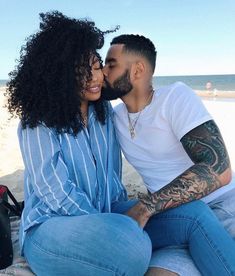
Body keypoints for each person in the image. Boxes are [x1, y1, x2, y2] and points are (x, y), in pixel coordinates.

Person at [5, 12, 152, 275]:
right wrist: (109, 223)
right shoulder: (38, 120)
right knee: (133, 249)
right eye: (80, 71)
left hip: (106, 214)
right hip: (50, 229)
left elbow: (112, 179)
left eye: (96, 67)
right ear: (58, 75)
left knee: (190, 216)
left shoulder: (103, 113)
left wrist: (123, 213)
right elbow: (54, 190)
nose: (94, 78)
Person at [102, 34, 235, 275]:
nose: (103, 71)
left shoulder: (174, 98)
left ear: (137, 70)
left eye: (111, 64)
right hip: (175, 218)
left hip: (223, 206)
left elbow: (219, 169)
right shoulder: (115, 118)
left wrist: (145, 207)